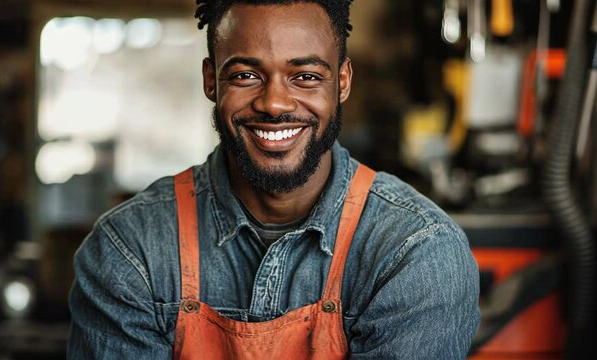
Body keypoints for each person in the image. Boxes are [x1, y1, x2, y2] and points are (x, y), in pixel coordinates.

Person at [67, 0, 480, 358]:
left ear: (343, 82)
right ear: (212, 80)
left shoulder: (415, 251)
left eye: (306, 77)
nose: (274, 103)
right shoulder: (131, 249)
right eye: (246, 75)